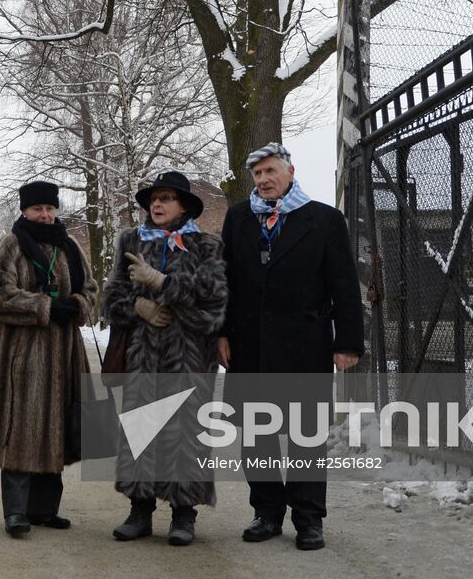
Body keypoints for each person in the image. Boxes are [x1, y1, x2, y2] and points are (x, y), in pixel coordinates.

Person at [218, 142, 365, 552]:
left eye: (270, 171)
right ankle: (266, 512)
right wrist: (221, 332)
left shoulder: (324, 220)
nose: (263, 180)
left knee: (305, 434)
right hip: (248, 346)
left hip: (305, 343)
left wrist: (348, 342)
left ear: (290, 171)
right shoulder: (238, 219)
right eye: (257, 175)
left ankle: (308, 518)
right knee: (254, 432)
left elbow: (344, 284)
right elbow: (224, 281)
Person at [102, 171, 228, 547]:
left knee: (186, 434)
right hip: (143, 357)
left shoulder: (207, 245)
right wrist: (138, 306)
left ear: (185, 206)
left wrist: (162, 284)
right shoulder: (130, 241)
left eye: (167, 198)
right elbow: (110, 299)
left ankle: (184, 514)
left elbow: (215, 303)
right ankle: (139, 511)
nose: (157, 204)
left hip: (189, 358)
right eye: (154, 198)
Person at [0, 180, 97, 536]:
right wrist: (45, 306)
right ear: (24, 211)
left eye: (49, 208)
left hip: (64, 351)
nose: (45, 215)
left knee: (58, 426)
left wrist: (76, 305)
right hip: (22, 352)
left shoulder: (71, 244)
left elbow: (91, 289)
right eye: (37, 209)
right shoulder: (11, 244)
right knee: (21, 426)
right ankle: (15, 512)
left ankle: (46, 509)